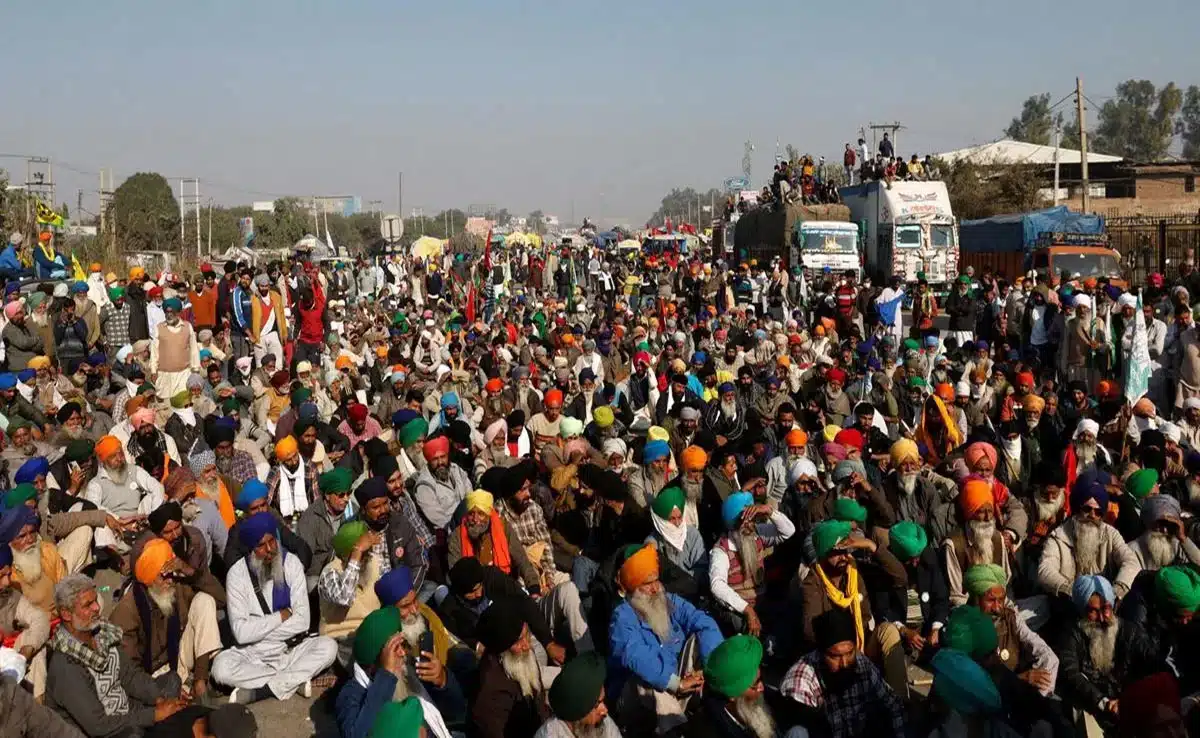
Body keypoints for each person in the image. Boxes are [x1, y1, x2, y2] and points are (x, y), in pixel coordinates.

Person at [210, 511, 337, 703]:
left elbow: (302, 622)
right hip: (253, 652)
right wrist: (281, 616)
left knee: (329, 647)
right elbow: (241, 634)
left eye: (272, 541)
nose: (270, 549)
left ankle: (262, 691)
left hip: (290, 647)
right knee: (220, 667)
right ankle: (295, 680)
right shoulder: (236, 575)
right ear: (251, 550)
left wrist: (257, 629)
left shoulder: (291, 563)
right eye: (261, 545)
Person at [45, 574, 190, 736]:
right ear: (66, 614)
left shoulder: (101, 633)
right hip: (106, 729)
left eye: (95, 601)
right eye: (88, 605)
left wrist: (159, 700)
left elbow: (130, 676)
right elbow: (98, 725)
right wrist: (154, 715)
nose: (97, 608)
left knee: (172, 680)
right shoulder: (65, 666)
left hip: (126, 707)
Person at [608, 542, 723, 735]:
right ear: (633, 586)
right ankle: (677, 730)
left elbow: (702, 621)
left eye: (656, 580)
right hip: (638, 698)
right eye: (647, 583)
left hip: (679, 681)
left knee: (699, 638)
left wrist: (707, 666)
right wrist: (675, 683)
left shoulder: (668, 600)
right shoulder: (622, 616)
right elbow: (636, 657)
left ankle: (716, 693)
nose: (655, 589)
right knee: (646, 680)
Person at [110, 538, 224, 701]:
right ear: (149, 578)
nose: (170, 581)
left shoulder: (175, 588)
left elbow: (221, 600)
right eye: (163, 576)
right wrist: (157, 690)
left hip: (177, 660)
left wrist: (189, 570)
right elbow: (129, 669)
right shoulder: (127, 610)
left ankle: (200, 682)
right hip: (149, 675)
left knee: (205, 600)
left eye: (171, 575)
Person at [779, 608, 906, 738]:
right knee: (798, 732)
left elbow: (892, 705)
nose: (844, 663)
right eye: (835, 656)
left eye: (849, 653)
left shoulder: (859, 662)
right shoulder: (800, 683)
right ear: (821, 653)